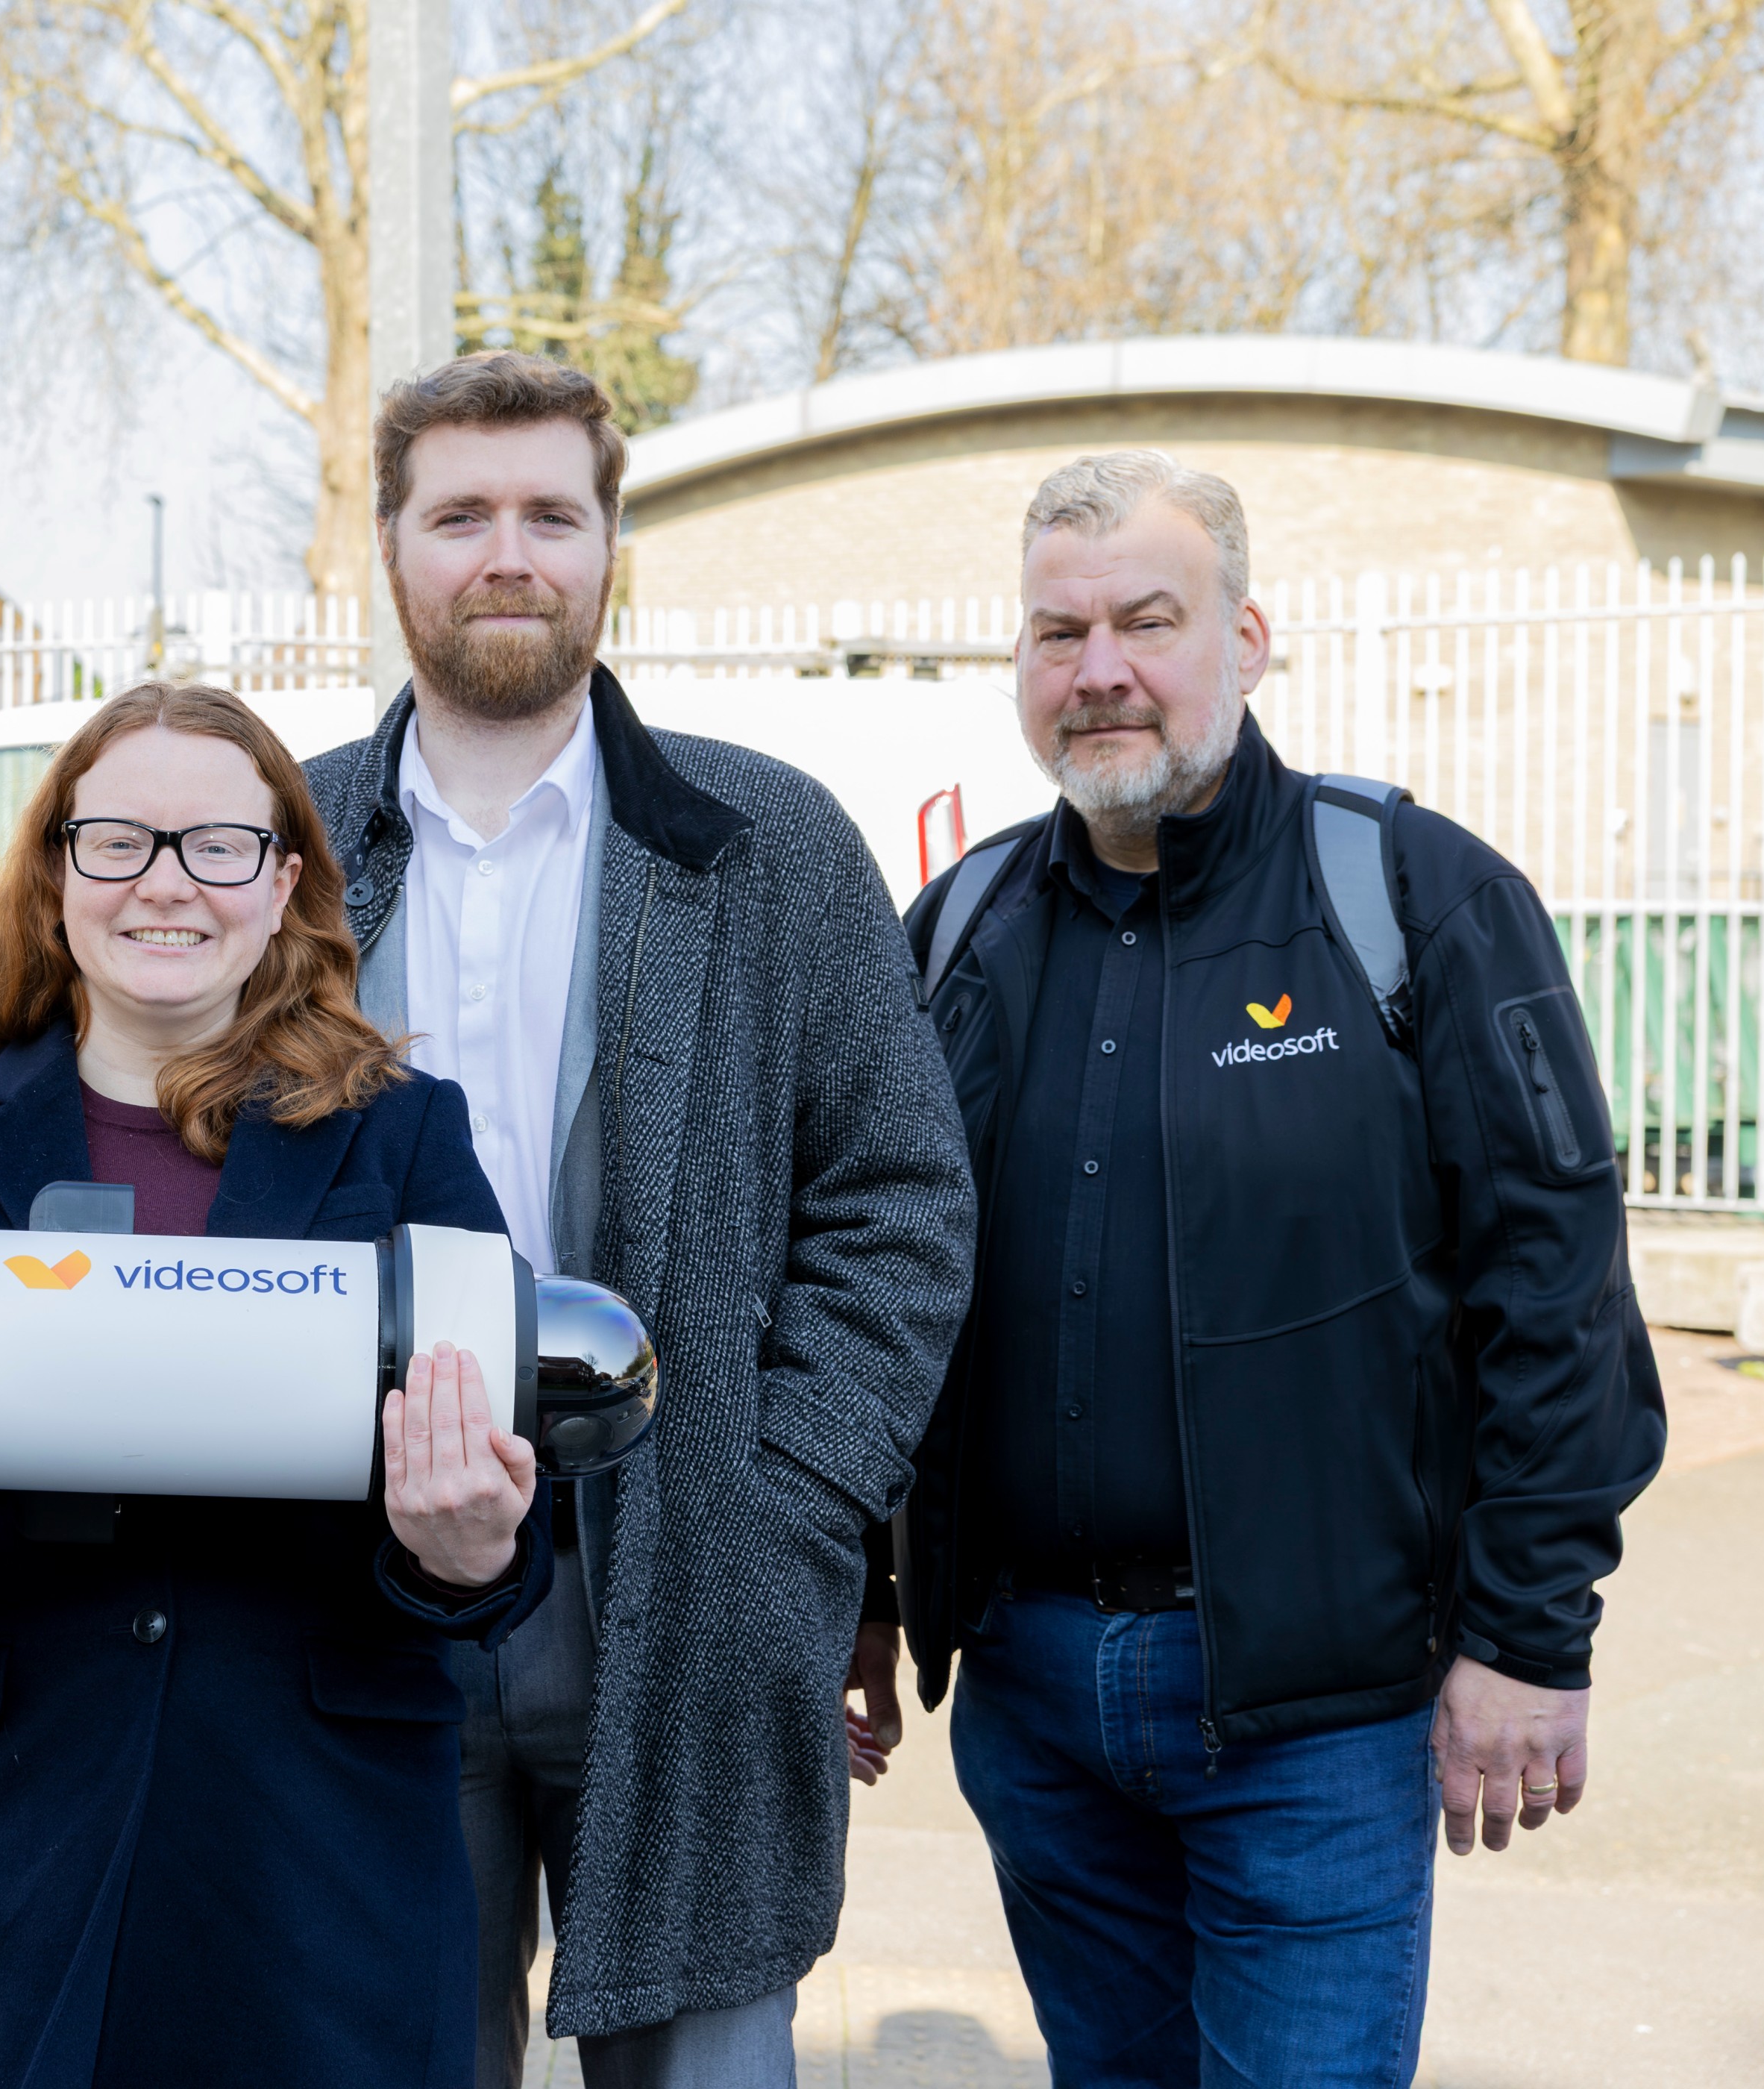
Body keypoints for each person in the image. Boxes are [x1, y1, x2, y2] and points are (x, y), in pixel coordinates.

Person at [893, 450, 1666, 2083]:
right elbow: (874, 1287)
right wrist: (850, 1597)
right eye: (1057, 631)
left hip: (1320, 1718)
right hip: (1034, 1705)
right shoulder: (954, 933)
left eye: (1147, 621)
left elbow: (1561, 1288)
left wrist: (1531, 1635)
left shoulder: (1414, 900)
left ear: (1248, 639)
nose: (1099, 667)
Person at [302, 351, 979, 2087]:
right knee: (366, 2041)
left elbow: (899, 1197)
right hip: (344, 1583)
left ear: (613, 548)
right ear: (392, 549)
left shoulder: (770, 843)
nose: (507, 553)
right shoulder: (284, 847)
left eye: (551, 512)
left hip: (677, 1571)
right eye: (461, 514)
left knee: (705, 2056)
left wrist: (790, 1508)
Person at [0, 680, 551, 2089]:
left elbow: (509, 1530)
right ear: (57, 873)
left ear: (284, 890)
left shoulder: (403, 1141)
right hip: (17, 1839)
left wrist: (470, 1550)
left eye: (218, 847)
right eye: (119, 841)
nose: (166, 884)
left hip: (316, 1848)